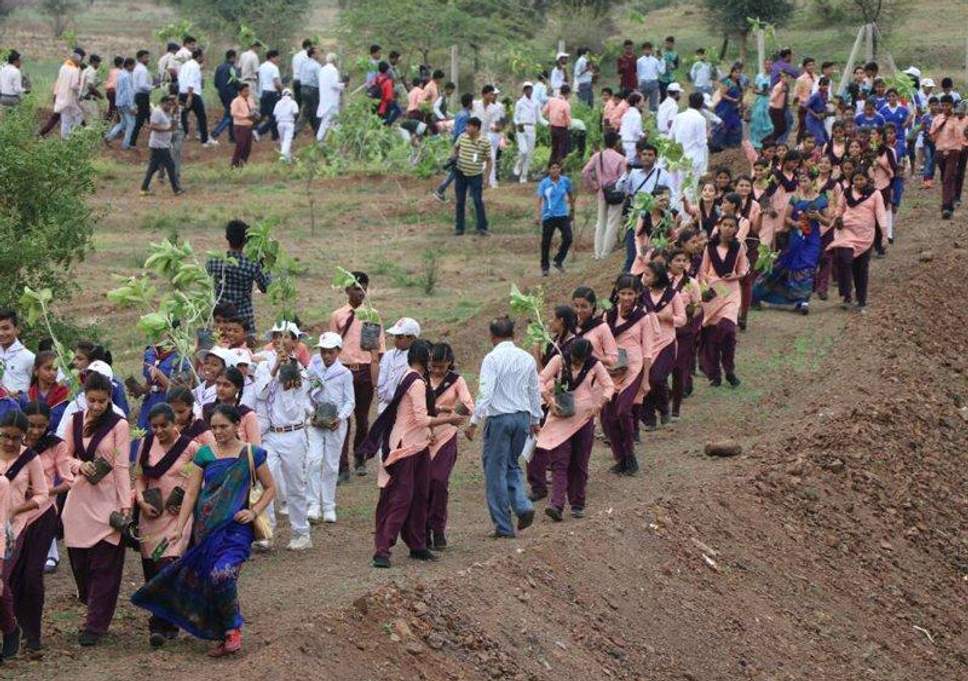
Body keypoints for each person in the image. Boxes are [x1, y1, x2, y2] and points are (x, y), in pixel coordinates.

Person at [132, 405, 276, 657]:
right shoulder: (205, 455)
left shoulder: (253, 454)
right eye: (214, 427)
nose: (219, 432)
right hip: (206, 530)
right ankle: (222, 633)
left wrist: (253, 512)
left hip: (236, 530)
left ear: (236, 425)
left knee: (222, 575)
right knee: (210, 580)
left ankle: (232, 629)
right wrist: (179, 528)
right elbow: (191, 493)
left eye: (224, 426)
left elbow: (270, 488)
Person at [361, 340, 462, 567]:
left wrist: (441, 411)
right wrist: (450, 419)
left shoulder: (411, 377)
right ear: (424, 359)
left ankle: (417, 545)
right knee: (401, 497)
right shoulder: (416, 381)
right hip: (407, 446)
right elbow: (421, 418)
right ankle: (383, 549)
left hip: (418, 445)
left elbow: (418, 410)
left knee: (419, 496)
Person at [61, 372, 131, 646]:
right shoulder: (74, 421)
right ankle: (91, 603)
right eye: (92, 400)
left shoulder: (119, 425)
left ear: (110, 398)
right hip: (80, 499)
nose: (97, 406)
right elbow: (63, 456)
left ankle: (96, 624)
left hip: (108, 499)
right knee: (80, 562)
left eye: (102, 401)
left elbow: (123, 465)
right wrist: (79, 465)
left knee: (105, 565)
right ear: (84, 397)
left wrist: (125, 504)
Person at [465, 317, 540, 538]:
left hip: (500, 419)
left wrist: (474, 422)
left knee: (494, 471)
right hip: (522, 418)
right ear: (513, 335)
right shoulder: (527, 358)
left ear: (492, 337)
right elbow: (534, 390)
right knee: (512, 465)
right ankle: (523, 505)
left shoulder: (492, 358)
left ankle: (504, 526)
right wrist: (535, 420)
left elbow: (485, 392)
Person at [132, 404, 199, 647]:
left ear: (175, 424)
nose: (159, 431)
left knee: (166, 565)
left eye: (164, 425)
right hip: (151, 516)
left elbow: (198, 476)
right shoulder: (146, 444)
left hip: (177, 517)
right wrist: (140, 500)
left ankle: (157, 625)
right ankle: (169, 621)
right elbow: (139, 476)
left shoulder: (190, 448)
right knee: (152, 571)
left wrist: (184, 495)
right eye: (155, 426)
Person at [7, 402, 69, 653]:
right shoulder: (12, 446)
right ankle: (15, 627)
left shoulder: (54, 445)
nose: (35, 431)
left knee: (33, 576)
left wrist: (43, 491)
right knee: (13, 576)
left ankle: (33, 634)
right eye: (31, 426)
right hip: (14, 520)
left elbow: (66, 481)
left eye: (41, 426)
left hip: (42, 515)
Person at [536, 338, 613, 521]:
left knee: (579, 462)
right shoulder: (559, 360)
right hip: (561, 417)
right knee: (559, 462)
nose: (577, 363)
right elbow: (539, 380)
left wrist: (599, 405)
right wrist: (549, 400)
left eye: (580, 360)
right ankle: (556, 504)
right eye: (575, 359)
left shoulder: (594, 365)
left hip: (584, 420)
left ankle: (578, 503)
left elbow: (609, 385)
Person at [0, 408, 49, 657]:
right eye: (5, 436)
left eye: (15, 438)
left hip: (12, 529)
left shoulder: (30, 459)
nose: (9, 442)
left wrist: (16, 508)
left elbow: (42, 494)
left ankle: (9, 629)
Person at [328, 272, 385, 481]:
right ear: (347, 290)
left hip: (364, 370)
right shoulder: (338, 315)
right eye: (355, 288)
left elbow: (378, 349)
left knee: (361, 417)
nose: (360, 292)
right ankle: (342, 466)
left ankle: (360, 457)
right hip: (343, 370)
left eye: (363, 288)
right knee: (343, 418)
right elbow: (331, 346)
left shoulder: (372, 315)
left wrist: (377, 376)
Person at [259, 341, 312, 551]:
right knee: (266, 482)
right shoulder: (265, 366)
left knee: (295, 486)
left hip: (294, 434)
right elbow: (261, 393)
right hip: (271, 435)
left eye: (287, 339)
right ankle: (266, 532)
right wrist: (275, 368)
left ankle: (302, 533)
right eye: (278, 339)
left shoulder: (301, 370)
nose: (281, 345)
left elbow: (302, 388)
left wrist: (291, 366)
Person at [602, 275, 656, 475]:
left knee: (623, 411)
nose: (626, 298)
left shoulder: (643, 318)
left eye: (630, 294)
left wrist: (646, 379)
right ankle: (620, 458)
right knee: (608, 417)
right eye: (622, 293)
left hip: (634, 368)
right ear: (617, 293)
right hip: (612, 369)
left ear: (638, 295)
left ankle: (631, 456)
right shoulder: (608, 316)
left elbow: (648, 351)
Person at [753, 172, 829, 314]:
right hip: (796, 238)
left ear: (812, 181)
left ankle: (803, 301)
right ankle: (758, 292)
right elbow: (786, 218)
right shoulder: (795, 198)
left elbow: (828, 220)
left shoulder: (822, 199)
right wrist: (796, 224)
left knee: (808, 266)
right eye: (800, 181)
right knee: (788, 265)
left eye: (805, 180)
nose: (802, 184)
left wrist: (818, 216)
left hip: (812, 239)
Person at [425, 343, 473, 550]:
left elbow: (468, 404)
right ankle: (422, 529)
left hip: (445, 437)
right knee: (422, 485)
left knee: (439, 481)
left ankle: (438, 528)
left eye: (441, 367)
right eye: (433, 366)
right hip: (423, 437)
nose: (436, 371)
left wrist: (456, 415)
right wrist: (442, 409)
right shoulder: (421, 379)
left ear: (449, 365)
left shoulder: (456, 381)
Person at [306, 332, 354, 524]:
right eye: (323, 351)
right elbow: (306, 395)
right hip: (316, 421)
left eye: (330, 352)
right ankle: (313, 504)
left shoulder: (344, 374)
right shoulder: (313, 369)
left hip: (335, 424)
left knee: (331, 465)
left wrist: (340, 418)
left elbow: (350, 401)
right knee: (313, 460)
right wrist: (311, 413)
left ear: (338, 352)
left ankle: (328, 505)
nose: (326, 356)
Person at [699, 215, 750, 387]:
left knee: (727, 330)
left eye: (731, 226)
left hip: (732, 290)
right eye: (725, 225)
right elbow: (703, 271)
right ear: (719, 227)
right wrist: (706, 288)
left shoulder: (739, 248)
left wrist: (735, 275)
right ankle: (715, 373)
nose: (728, 228)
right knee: (712, 335)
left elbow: (743, 268)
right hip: (714, 292)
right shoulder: (710, 248)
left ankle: (729, 369)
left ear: (736, 229)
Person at [828, 171, 886, 310]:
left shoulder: (875, 194)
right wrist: (838, 217)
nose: (858, 182)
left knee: (861, 268)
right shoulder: (846, 192)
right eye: (856, 179)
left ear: (867, 179)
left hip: (865, 236)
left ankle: (861, 299)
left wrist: (884, 235)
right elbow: (840, 208)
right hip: (846, 232)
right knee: (844, 260)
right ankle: (847, 294)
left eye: (861, 179)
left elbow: (881, 214)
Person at [581, 131, 627, 260]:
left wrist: (593, 185)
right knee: (612, 222)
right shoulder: (621, 159)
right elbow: (623, 179)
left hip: (602, 192)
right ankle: (605, 253)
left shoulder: (598, 156)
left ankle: (597, 253)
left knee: (601, 221)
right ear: (616, 143)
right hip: (616, 193)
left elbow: (585, 172)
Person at [452, 117, 491, 236]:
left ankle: (482, 227)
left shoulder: (485, 142)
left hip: (476, 175)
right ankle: (459, 227)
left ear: (476, 128)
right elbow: (455, 148)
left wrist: (486, 178)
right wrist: (454, 157)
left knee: (478, 201)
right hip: (460, 173)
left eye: (469, 126)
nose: (466, 128)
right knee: (460, 201)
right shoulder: (462, 137)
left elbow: (489, 161)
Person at [536, 160, 576, 276]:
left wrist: (572, 209)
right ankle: (544, 267)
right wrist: (538, 216)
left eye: (557, 168)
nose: (555, 170)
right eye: (553, 168)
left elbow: (570, 194)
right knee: (546, 241)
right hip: (548, 215)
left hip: (562, 214)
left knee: (568, 237)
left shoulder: (565, 181)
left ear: (560, 169)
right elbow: (539, 200)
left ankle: (558, 260)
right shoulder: (544, 183)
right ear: (549, 170)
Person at [931, 95, 966, 219]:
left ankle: (946, 207)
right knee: (944, 178)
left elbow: (960, 136)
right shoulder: (937, 119)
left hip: (953, 151)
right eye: (943, 105)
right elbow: (933, 136)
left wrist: (954, 119)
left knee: (948, 177)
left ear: (952, 106)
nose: (945, 107)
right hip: (940, 152)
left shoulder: (957, 119)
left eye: (947, 105)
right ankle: (949, 201)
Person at [140, 95, 183, 196]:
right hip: (159, 145)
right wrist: (167, 129)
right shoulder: (157, 112)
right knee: (170, 166)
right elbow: (152, 126)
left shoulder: (164, 112)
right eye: (168, 104)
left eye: (170, 105)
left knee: (152, 168)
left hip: (161, 144)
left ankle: (144, 188)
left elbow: (171, 121)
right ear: (162, 103)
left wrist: (171, 126)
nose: (169, 106)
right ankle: (176, 189)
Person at [672, 92, 711, 185]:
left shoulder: (679, 116)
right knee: (690, 188)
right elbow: (701, 142)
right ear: (702, 104)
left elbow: (671, 136)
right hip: (693, 158)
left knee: (678, 186)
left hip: (680, 157)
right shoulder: (700, 119)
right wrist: (708, 135)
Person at [0, 309, 35, 397]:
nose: (1, 333)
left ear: (17, 329)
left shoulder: (28, 357)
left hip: (18, 408)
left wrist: (21, 395)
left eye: (6, 328)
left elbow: (37, 387)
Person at [52, 48, 85, 138]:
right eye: (81, 60)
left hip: (61, 98)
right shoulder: (75, 69)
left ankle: (65, 139)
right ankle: (73, 136)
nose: (81, 63)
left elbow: (59, 81)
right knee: (79, 115)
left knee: (65, 120)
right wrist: (81, 88)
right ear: (78, 59)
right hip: (70, 99)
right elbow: (74, 85)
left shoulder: (63, 67)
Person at [104, 57, 136, 148]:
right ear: (129, 65)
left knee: (123, 123)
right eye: (133, 65)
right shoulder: (126, 76)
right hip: (126, 103)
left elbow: (119, 90)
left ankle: (108, 137)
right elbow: (128, 92)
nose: (134, 67)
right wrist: (131, 106)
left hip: (119, 103)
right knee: (131, 124)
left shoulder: (121, 74)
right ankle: (126, 144)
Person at [712, 63, 744, 149]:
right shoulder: (727, 82)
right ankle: (719, 146)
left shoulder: (738, 83)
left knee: (736, 126)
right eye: (736, 72)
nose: (738, 74)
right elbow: (722, 94)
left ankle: (733, 146)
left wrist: (740, 104)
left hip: (734, 108)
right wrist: (733, 100)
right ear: (732, 73)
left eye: (739, 72)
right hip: (725, 108)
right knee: (723, 126)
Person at [211, 50, 240, 143]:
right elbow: (235, 81)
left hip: (221, 93)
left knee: (231, 113)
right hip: (231, 94)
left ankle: (232, 138)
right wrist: (241, 88)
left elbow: (215, 83)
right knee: (230, 115)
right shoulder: (232, 68)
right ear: (232, 57)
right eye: (235, 57)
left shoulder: (219, 67)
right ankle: (216, 131)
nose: (236, 59)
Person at [513, 82, 540, 183]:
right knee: (523, 150)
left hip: (532, 128)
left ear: (532, 90)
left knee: (529, 154)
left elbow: (539, 117)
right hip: (521, 127)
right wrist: (517, 124)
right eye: (526, 89)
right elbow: (515, 117)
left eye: (530, 89)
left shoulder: (536, 102)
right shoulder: (520, 103)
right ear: (524, 91)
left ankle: (524, 175)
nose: (528, 91)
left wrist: (547, 123)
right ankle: (518, 164)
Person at [316, 53, 345, 143]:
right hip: (331, 101)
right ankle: (320, 140)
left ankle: (341, 139)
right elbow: (334, 84)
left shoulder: (322, 70)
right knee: (328, 121)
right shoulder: (333, 70)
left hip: (324, 98)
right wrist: (344, 85)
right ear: (334, 61)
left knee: (332, 121)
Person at [229, 83, 259, 168]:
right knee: (240, 145)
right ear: (239, 92)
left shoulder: (250, 99)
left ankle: (243, 162)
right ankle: (234, 164)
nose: (247, 92)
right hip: (240, 125)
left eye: (248, 91)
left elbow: (253, 109)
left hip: (249, 125)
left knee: (248, 147)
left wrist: (255, 115)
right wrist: (245, 116)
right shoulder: (236, 101)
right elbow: (233, 113)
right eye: (245, 91)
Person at [255, 50, 283, 141]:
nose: (279, 59)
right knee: (275, 116)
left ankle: (275, 136)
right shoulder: (274, 68)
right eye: (277, 57)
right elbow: (277, 83)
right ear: (272, 57)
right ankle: (259, 131)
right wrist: (282, 91)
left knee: (263, 114)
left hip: (263, 92)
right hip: (272, 93)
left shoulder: (261, 66)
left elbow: (258, 77)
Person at [129, 50, 154, 147]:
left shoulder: (137, 68)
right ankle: (132, 143)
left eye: (148, 57)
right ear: (139, 58)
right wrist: (153, 87)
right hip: (142, 96)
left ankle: (153, 140)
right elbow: (142, 85)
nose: (147, 59)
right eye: (145, 57)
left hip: (139, 96)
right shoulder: (142, 69)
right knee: (140, 120)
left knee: (148, 118)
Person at [544, 84, 572, 166]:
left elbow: (544, 112)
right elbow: (568, 120)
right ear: (567, 94)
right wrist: (569, 126)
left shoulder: (551, 100)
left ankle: (551, 167)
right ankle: (559, 168)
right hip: (562, 129)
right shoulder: (566, 104)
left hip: (553, 128)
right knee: (562, 150)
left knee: (554, 149)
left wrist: (550, 120)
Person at [295, 48, 320, 136]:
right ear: (312, 55)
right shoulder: (316, 65)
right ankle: (319, 132)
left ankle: (295, 130)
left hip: (303, 89)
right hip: (313, 90)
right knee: (316, 111)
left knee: (305, 111)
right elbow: (319, 78)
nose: (319, 55)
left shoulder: (303, 64)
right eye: (317, 53)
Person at [750, 60, 774, 148]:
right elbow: (754, 89)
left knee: (769, 120)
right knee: (757, 119)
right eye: (767, 64)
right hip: (760, 100)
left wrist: (769, 92)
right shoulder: (759, 76)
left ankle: (769, 140)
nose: (768, 66)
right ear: (764, 65)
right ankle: (757, 140)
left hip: (770, 100)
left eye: (770, 64)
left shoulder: (774, 77)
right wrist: (760, 92)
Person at [636, 42, 665, 111]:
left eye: (649, 49)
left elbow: (662, 71)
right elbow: (638, 72)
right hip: (643, 83)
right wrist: (639, 84)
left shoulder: (655, 60)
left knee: (654, 104)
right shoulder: (639, 61)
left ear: (651, 50)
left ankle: (652, 118)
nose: (647, 51)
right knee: (639, 102)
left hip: (653, 83)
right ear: (643, 50)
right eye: (645, 49)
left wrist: (661, 60)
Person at [793, 58, 817, 143]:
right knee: (803, 128)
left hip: (814, 107)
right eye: (809, 65)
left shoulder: (816, 78)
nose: (811, 67)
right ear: (804, 67)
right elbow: (796, 95)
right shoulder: (801, 79)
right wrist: (800, 105)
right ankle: (799, 145)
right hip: (804, 107)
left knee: (812, 128)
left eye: (812, 65)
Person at [273, 88, 299, 162]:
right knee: (287, 140)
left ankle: (288, 158)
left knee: (283, 141)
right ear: (291, 95)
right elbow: (296, 113)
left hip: (280, 123)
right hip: (289, 123)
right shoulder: (293, 102)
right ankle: (283, 157)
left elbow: (274, 114)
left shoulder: (278, 103)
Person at [619, 92, 645, 161]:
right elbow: (636, 130)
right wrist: (643, 135)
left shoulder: (626, 114)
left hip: (624, 141)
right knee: (631, 161)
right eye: (642, 101)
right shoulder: (637, 115)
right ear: (636, 103)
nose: (643, 104)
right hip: (632, 142)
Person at [291, 39, 313, 107]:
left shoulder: (296, 56)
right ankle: (304, 117)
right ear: (308, 47)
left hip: (295, 80)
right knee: (306, 103)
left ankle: (296, 116)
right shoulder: (307, 56)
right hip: (303, 82)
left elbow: (293, 68)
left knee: (297, 102)